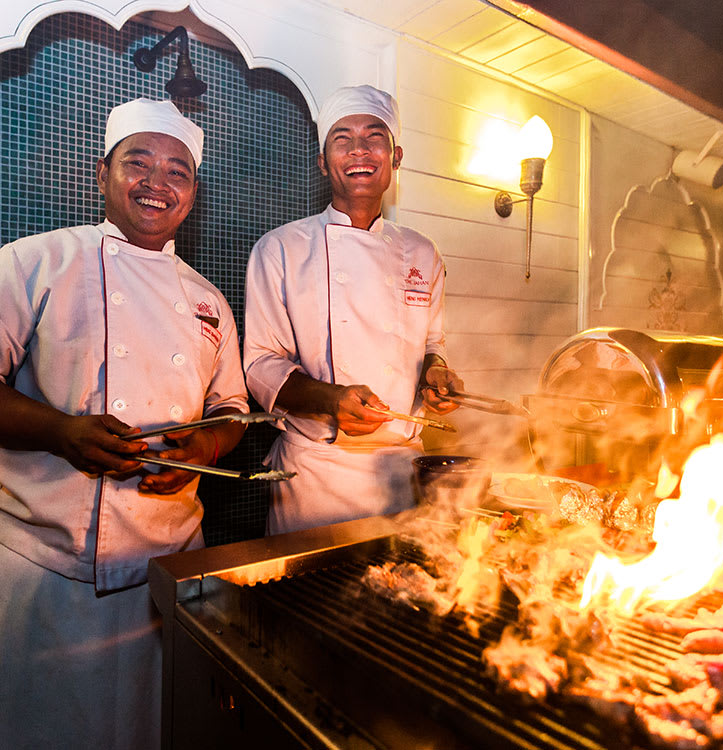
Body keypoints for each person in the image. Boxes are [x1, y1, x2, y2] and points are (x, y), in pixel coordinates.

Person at [0, 98, 249, 750]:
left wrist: (209, 443)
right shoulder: (32, 263)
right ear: (102, 174)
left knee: (153, 729)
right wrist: (61, 433)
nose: (156, 182)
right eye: (138, 162)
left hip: (169, 570)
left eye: (178, 171)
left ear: (192, 194)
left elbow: (234, 409)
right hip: (47, 575)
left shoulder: (208, 300)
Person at [244, 84, 463, 535]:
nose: (359, 150)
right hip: (315, 477)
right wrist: (330, 400)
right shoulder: (281, 248)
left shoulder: (423, 252)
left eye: (374, 137)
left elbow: (431, 345)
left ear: (395, 157)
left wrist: (437, 374)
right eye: (342, 139)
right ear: (324, 162)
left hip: (401, 472)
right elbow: (261, 366)